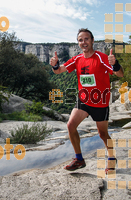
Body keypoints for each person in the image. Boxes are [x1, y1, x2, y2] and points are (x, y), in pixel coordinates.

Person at [50, 28, 124, 174]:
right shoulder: (77, 59)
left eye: (86, 39)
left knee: (103, 134)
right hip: (83, 100)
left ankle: (111, 158)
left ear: (92, 41)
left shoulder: (102, 57)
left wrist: (115, 64)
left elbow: (120, 74)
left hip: (100, 102)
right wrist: (54, 65)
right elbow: (59, 71)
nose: (83, 42)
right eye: (80, 40)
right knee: (71, 125)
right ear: (78, 43)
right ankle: (79, 159)